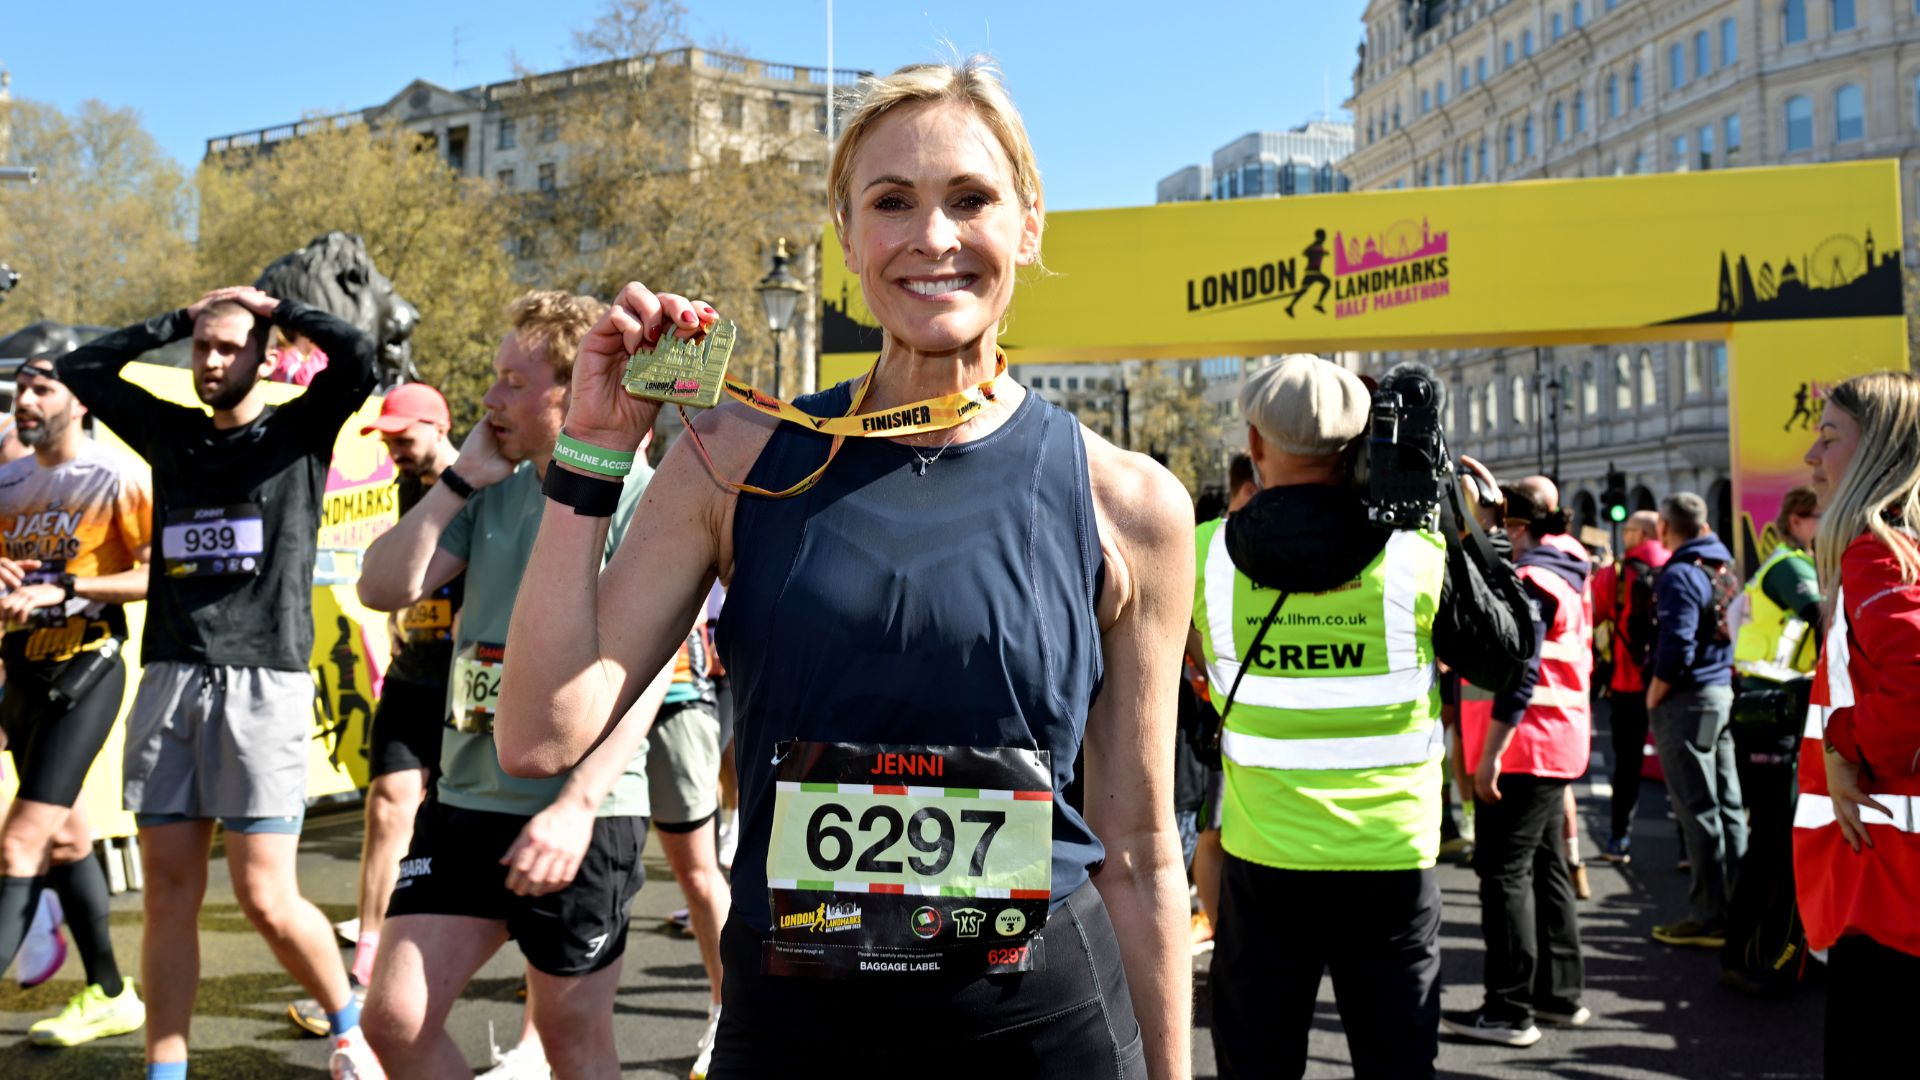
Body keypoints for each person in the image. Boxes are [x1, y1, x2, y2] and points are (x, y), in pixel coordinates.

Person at [499, 58, 1191, 1078]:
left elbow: (1139, 855)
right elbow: (537, 734)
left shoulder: (1130, 505)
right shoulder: (733, 459)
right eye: (892, 203)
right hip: (793, 1036)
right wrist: (593, 456)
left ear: (1030, 224)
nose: (933, 237)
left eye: (971, 199)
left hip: (1041, 1038)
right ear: (846, 234)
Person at [56, 286, 381, 1079]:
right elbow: (83, 366)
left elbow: (359, 359)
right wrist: (180, 318)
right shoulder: (171, 433)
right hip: (170, 675)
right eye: (201, 347)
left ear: (263, 358)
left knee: (266, 897)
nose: (210, 360)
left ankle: (350, 1028)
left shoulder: (302, 430)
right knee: (169, 897)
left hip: (262, 682)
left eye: (229, 347)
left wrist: (279, 308)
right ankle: (165, 1070)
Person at [356, 291, 664, 1080]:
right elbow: (384, 587)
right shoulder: (487, 486)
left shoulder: (633, 496)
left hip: (576, 813)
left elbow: (655, 671)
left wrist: (577, 805)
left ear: (572, 391)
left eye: (512, 383)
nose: (489, 398)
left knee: (570, 1042)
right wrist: (458, 480)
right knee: (393, 1019)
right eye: (493, 378)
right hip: (465, 801)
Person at [1193, 356, 1526, 1078]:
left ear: (1254, 444)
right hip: (1392, 865)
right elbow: (1506, 658)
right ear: (1358, 447)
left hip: (1265, 861)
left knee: (1256, 1062)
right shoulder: (1418, 554)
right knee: (1397, 1063)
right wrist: (1454, 516)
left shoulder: (1205, 559)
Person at [289, 383, 463, 1036]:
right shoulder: (406, 487)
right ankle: (365, 970)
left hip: (470, 686)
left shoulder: (487, 484)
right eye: (385, 439)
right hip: (413, 675)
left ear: (438, 426)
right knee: (388, 805)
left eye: (402, 436)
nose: (392, 449)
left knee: (465, 828)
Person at [0, 356, 151, 1045]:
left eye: (41, 389)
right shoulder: (8, 478)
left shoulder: (119, 474)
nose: (24, 401)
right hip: (19, 677)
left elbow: (164, 569)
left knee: (18, 847)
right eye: (20, 389)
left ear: (80, 401)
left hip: (85, 671)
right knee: (64, 838)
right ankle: (111, 993)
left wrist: (70, 589)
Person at [1792, 370, 1920, 1077]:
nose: (1812, 456)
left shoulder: (1877, 555)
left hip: (1883, 883)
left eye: (1829, 436)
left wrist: (1844, 742)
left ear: (1880, 450)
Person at [1445, 477, 1592, 1047]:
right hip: (1555, 742)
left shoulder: (1531, 580)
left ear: (1515, 528)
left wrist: (1491, 756)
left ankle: (1509, 1008)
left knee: (1503, 875)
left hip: (1522, 748)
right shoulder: (1568, 572)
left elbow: (1521, 674)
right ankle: (1559, 995)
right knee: (1546, 868)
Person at [1721, 485, 1821, 995]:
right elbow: (1824, 622)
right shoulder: (1791, 568)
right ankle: (1751, 956)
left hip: (1773, 713)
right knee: (1773, 845)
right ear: (1800, 520)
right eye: (1821, 516)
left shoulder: (1787, 563)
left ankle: (1756, 952)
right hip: (1772, 716)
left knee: (1773, 842)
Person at [1646, 491, 1745, 949]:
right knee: (1727, 806)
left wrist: (1654, 694)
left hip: (1688, 700)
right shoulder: (1722, 566)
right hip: (1720, 691)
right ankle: (1735, 905)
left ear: (1666, 528)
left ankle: (1710, 917)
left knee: (1698, 810)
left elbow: (1676, 648)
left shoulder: (1680, 574)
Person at [649, 622, 730, 1078]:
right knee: (573, 870)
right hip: (593, 704)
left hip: (675, 698)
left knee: (698, 874)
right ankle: (535, 1037)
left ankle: (726, 1011)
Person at [1185, 452, 1257, 955]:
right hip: (1221, 717)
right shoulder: (1210, 544)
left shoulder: (1206, 544)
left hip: (1224, 712)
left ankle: (1223, 927)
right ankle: (1219, 926)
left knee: (1217, 829)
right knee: (1214, 828)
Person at [1594, 510, 1670, 864]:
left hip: (1628, 682)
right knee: (1677, 767)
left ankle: (1618, 838)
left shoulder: (1618, 573)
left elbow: (1593, 615)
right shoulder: (1677, 565)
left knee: (1626, 765)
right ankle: (1687, 850)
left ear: (1641, 534)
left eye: (1628, 530)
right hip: (1670, 682)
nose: (1624, 535)